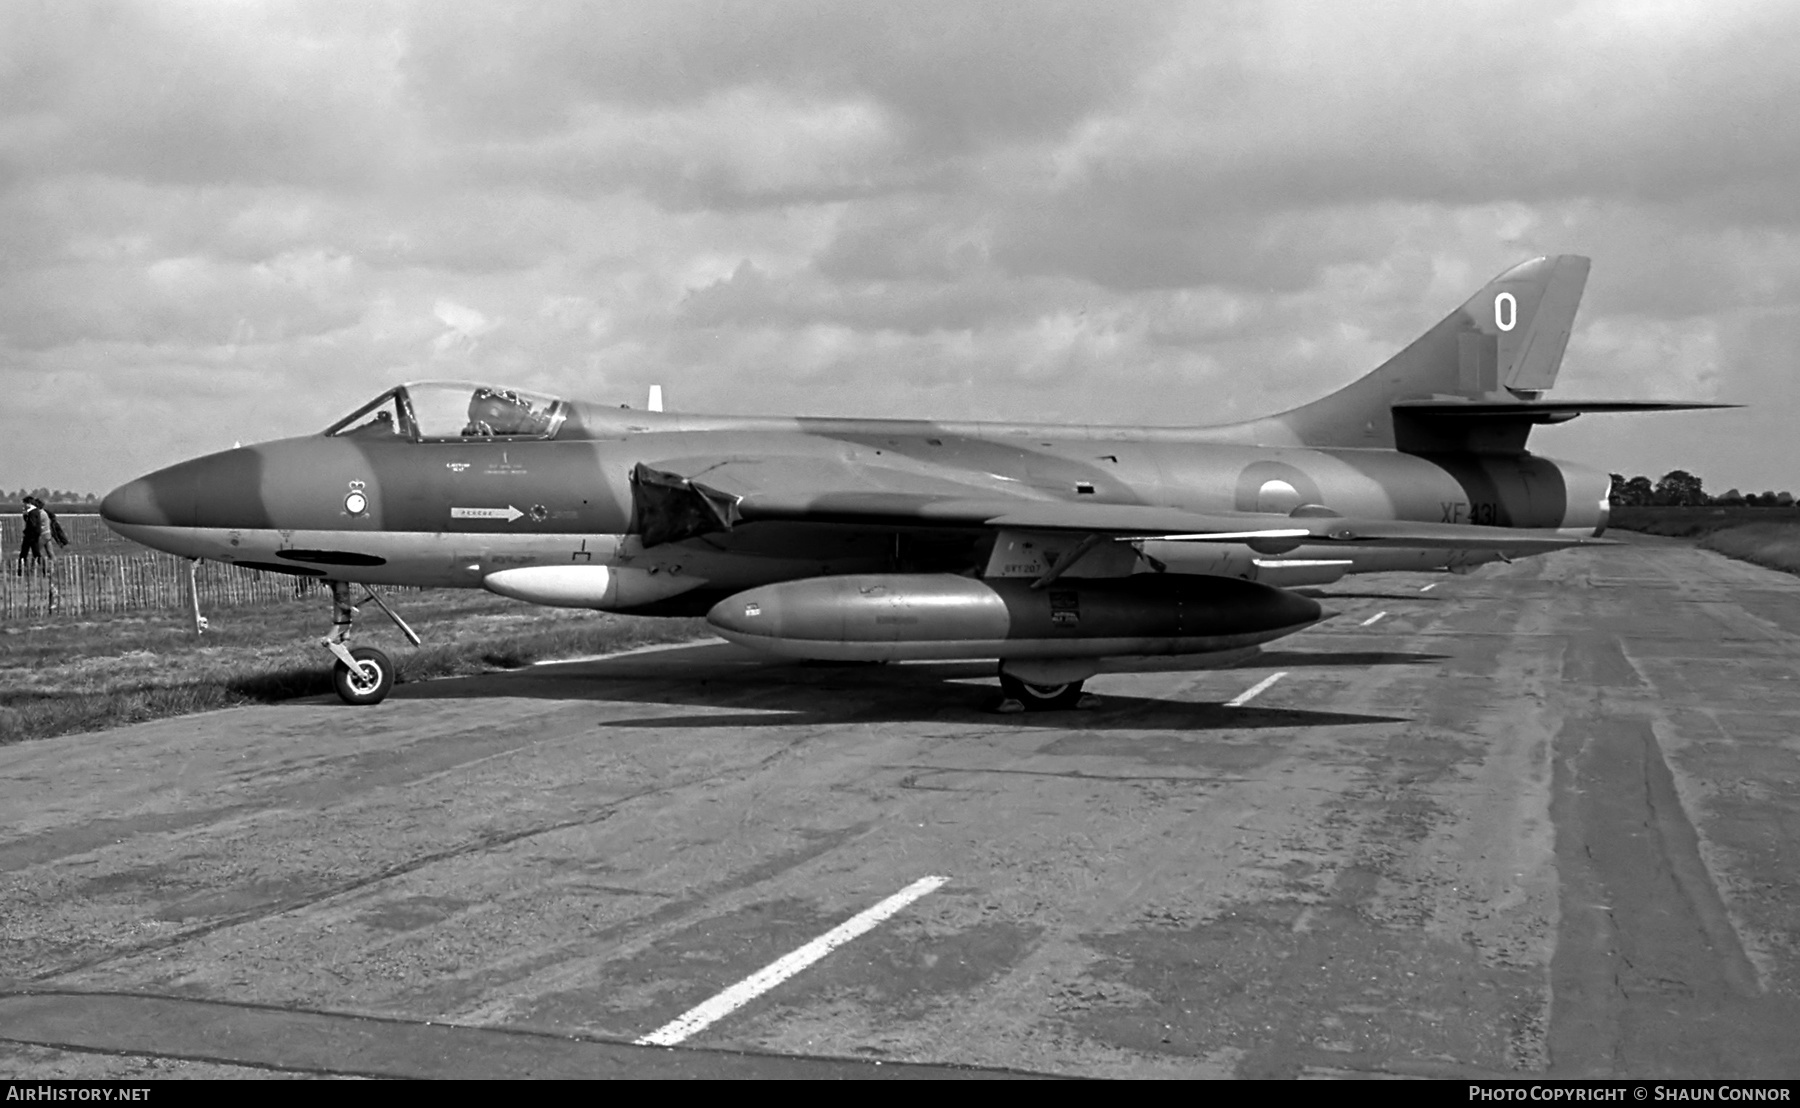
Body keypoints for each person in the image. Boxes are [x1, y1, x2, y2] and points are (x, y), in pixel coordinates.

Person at [17, 496, 59, 612]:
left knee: (36, 553)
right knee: (48, 553)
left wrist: (26, 516)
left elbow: (33, 525)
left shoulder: (37, 513)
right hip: (47, 534)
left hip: (41, 536)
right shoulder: (43, 513)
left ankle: (30, 568)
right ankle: (50, 567)